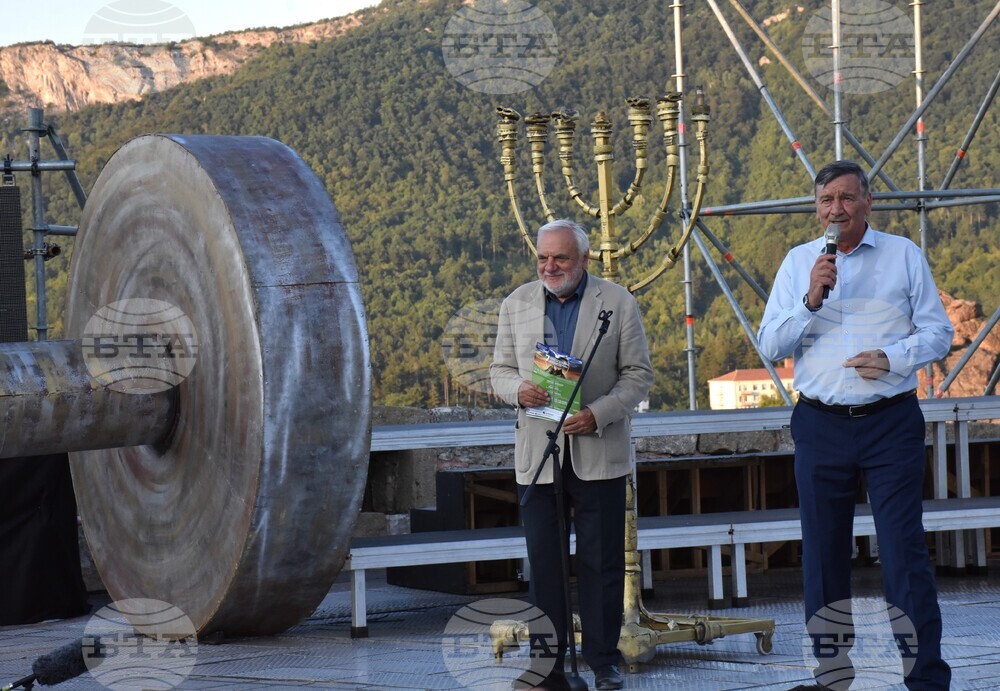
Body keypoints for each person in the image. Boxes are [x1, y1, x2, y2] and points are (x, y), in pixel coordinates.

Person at [757, 161, 953, 690]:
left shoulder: (903, 256)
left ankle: (927, 680)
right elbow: (770, 346)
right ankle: (831, 679)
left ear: (868, 203)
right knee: (822, 556)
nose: (836, 210)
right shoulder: (800, 263)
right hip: (820, 425)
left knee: (903, 554)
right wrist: (809, 301)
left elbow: (939, 333)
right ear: (816, 207)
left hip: (891, 423)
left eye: (846, 198)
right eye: (826, 200)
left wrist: (891, 357)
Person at [491, 219, 653, 691]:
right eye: (542, 258)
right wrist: (518, 390)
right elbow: (498, 370)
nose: (549, 266)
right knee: (545, 566)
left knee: (602, 565)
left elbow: (639, 375)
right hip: (538, 457)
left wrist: (599, 414)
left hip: (597, 450)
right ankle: (549, 665)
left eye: (560, 258)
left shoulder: (617, 302)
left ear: (583, 259)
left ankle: (604, 662)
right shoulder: (515, 303)